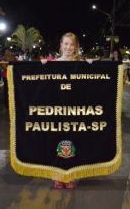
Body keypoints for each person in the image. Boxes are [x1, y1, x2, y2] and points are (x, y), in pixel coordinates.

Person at [41, 32, 92, 189]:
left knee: (74, 143)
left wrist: (91, 65)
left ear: (76, 47)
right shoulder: (52, 63)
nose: (69, 47)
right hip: (56, 112)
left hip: (74, 113)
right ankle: (57, 176)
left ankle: (70, 177)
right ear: (61, 45)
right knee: (55, 142)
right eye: (66, 44)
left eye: (72, 44)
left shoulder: (81, 63)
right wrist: (41, 66)